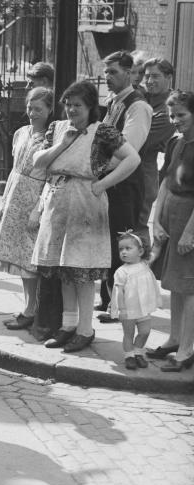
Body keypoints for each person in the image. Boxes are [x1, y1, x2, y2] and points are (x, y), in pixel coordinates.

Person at [30, 80, 141, 354]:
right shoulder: (57, 129)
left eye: (77, 105)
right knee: (64, 268)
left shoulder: (102, 132)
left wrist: (102, 184)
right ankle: (68, 325)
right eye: (68, 105)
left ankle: (85, 329)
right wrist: (62, 145)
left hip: (85, 202)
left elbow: (132, 159)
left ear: (91, 107)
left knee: (82, 269)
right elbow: (38, 161)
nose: (71, 110)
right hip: (58, 200)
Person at [98, 51, 153, 321]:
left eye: (114, 72)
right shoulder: (113, 102)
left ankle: (121, 306)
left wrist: (95, 168)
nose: (108, 77)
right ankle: (109, 299)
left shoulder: (137, 105)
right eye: (106, 72)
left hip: (125, 185)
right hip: (111, 183)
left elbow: (127, 151)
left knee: (122, 245)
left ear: (130, 73)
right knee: (108, 243)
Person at [0, 88, 52, 331]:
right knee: (18, 257)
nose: (32, 113)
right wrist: (4, 201)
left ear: (49, 110)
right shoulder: (20, 133)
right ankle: (29, 308)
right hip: (16, 195)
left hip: (34, 198)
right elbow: (14, 170)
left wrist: (38, 209)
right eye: (30, 107)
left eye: (39, 109)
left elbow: (51, 178)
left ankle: (33, 310)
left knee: (30, 258)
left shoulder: (50, 138)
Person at [148, 90, 194, 372]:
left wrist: (191, 233)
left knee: (189, 286)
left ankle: (188, 349)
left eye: (182, 115)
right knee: (174, 283)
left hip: (189, 219)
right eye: (172, 115)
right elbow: (165, 181)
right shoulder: (178, 143)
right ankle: (175, 338)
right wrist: (156, 219)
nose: (176, 120)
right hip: (171, 217)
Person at [106, 232, 159, 370]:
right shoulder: (121, 272)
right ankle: (129, 355)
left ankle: (138, 352)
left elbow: (155, 252)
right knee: (128, 334)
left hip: (143, 308)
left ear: (140, 251)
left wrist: (159, 241)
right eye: (121, 249)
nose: (123, 252)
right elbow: (118, 293)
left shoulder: (144, 264)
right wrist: (121, 309)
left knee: (145, 331)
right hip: (128, 309)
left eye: (128, 248)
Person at [138, 58, 176, 247]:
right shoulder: (143, 100)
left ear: (168, 77)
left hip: (145, 175)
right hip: (131, 171)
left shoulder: (169, 110)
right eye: (147, 76)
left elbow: (141, 141)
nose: (150, 81)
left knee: (137, 227)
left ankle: (140, 273)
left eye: (155, 76)